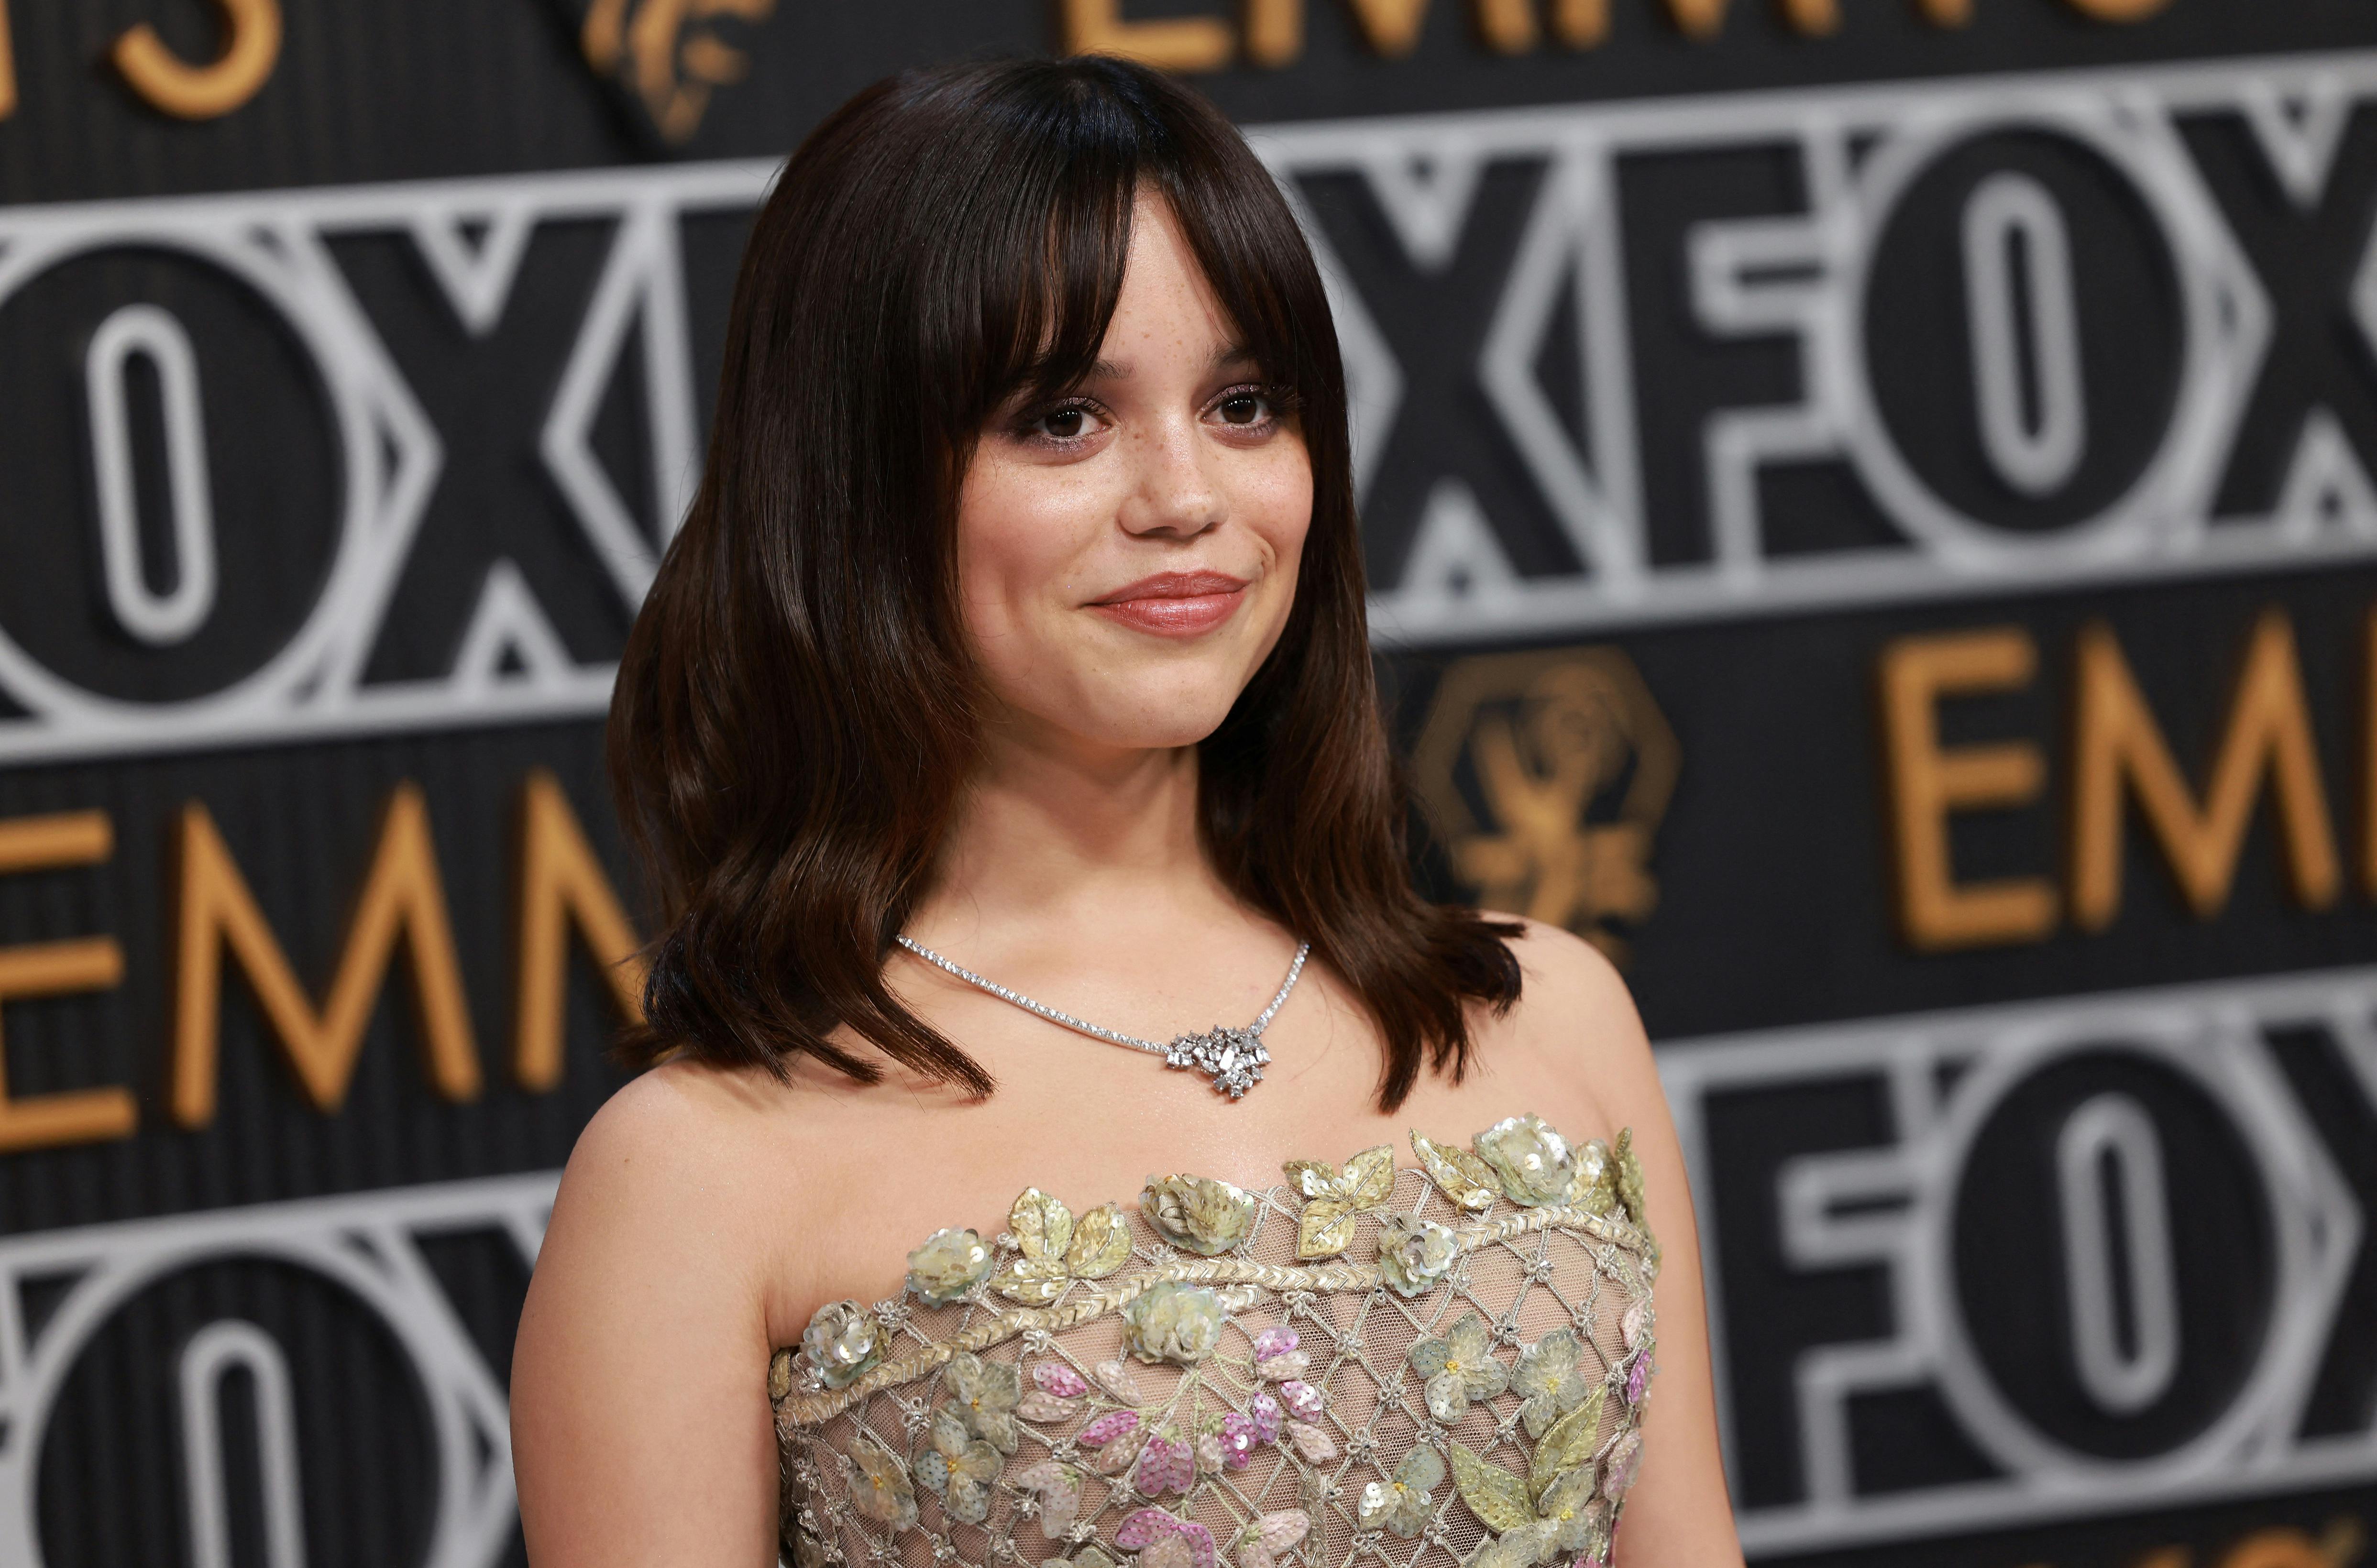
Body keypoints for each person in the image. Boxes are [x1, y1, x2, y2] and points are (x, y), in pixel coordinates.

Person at [510, 55, 1742, 1568]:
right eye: (1062, 420)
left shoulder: (1547, 1012)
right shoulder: (700, 1173)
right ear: (852, 484)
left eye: (1243, 404)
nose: (1184, 496)